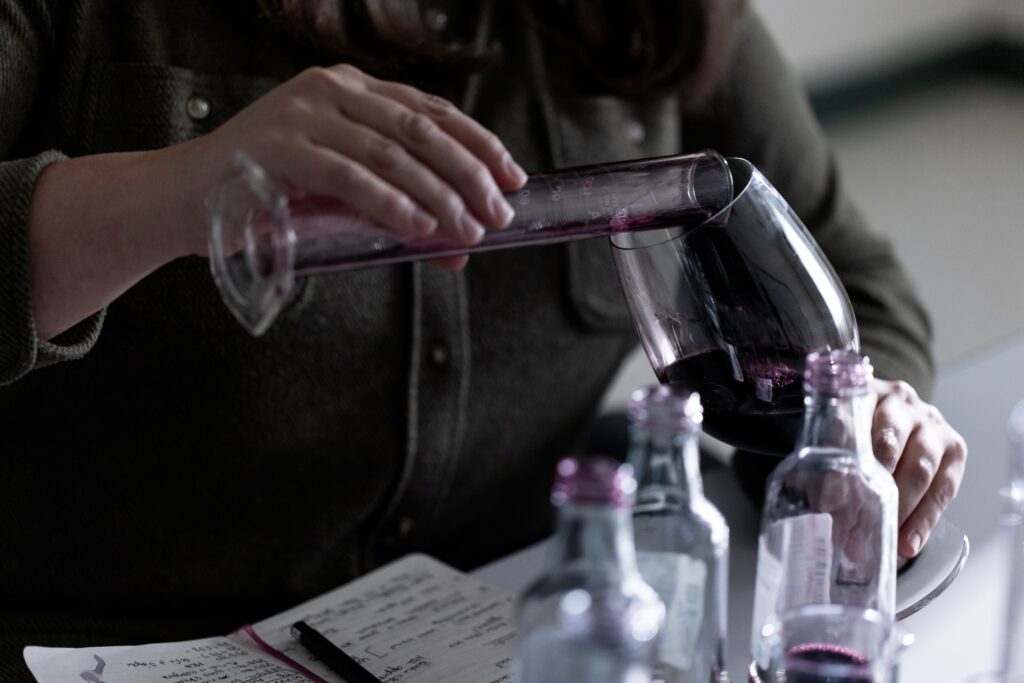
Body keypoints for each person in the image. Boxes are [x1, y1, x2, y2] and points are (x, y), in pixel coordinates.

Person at [0, 0, 966, 678]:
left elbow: (856, 281)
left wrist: (844, 430)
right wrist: (173, 192)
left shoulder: (659, 18)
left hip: (507, 626)